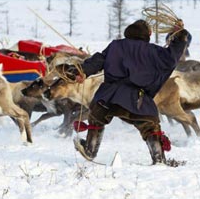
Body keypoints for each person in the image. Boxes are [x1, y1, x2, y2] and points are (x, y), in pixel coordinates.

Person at [70, 19, 190, 165]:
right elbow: (171, 58)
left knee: (96, 118)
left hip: (109, 97)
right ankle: (159, 160)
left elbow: (98, 60)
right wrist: (180, 35)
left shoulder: (115, 46)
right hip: (138, 101)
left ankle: (90, 149)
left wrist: (82, 71)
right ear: (148, 34)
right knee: (150, 127)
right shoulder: (153, 51)